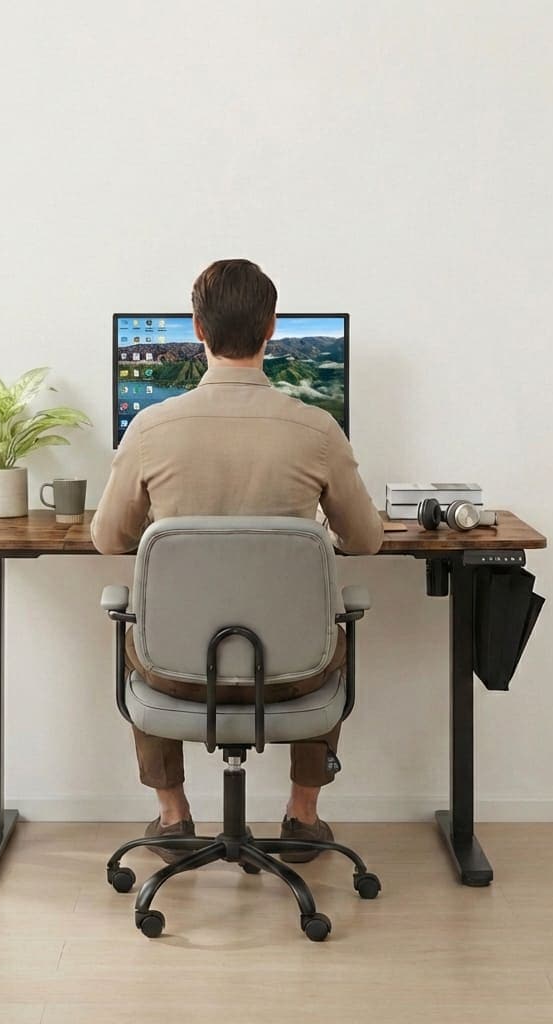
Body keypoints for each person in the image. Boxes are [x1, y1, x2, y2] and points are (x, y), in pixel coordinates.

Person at [92, 258, 382, 862]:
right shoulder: (319, 429)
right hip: (294, 672)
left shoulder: (148, 428)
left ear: (197, 329)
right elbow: (365, 541)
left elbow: (109, 538)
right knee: (333, 629)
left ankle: (172, 816)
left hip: (175, 671)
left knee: (139, 628)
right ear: (271, 328)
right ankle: (303, 814)